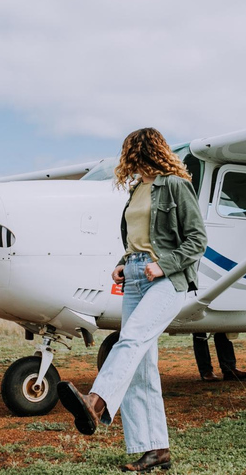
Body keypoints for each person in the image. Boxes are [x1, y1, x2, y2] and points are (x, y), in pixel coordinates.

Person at [57, 127, 208, 473]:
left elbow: (197, 239)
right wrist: (122, 265)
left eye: (133, 156)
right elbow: (136, 242)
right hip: (136, 277)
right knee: (141, 368)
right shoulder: (137, 190)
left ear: (146, 153)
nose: (129, 163)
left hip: (168, 279)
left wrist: (162, 266)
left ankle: (95, 403)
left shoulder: (175, 185)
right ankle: (155, 450)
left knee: (131, 338)